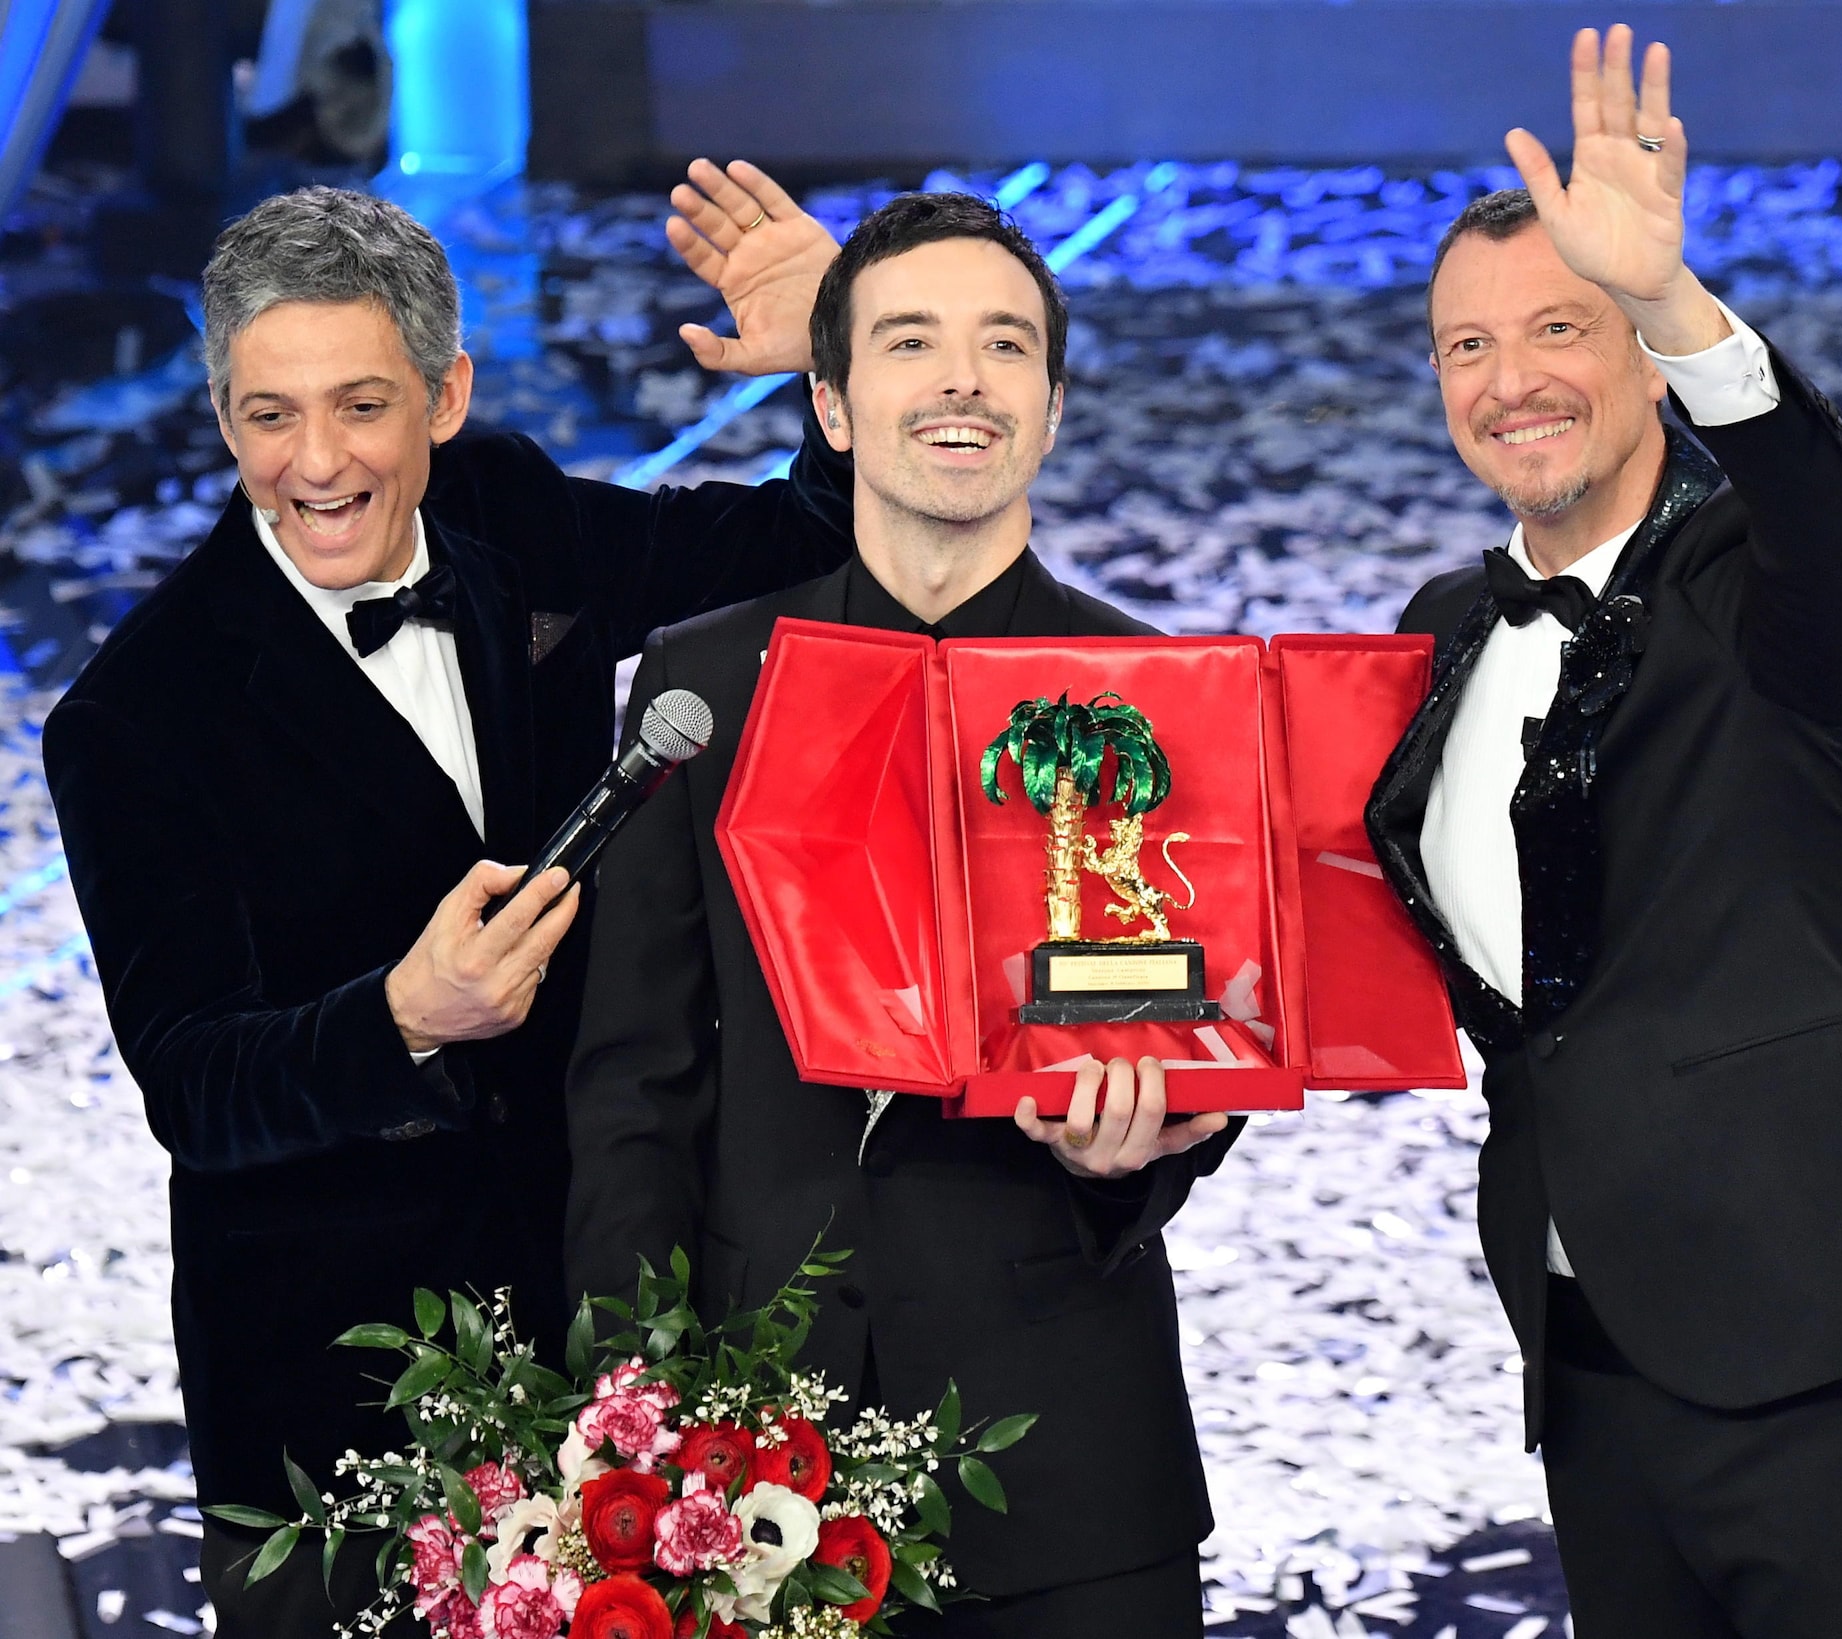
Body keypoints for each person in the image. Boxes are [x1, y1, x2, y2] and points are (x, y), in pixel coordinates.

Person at [42, 163, 854, 1637]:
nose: (316, 463)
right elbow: (195, 1085)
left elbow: (800, 546)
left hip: (599, 1342)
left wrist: (831, 355)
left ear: (447, 394)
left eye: (361, 406)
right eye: (268, 415)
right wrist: (402, 1019)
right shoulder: (133, 718)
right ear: (221, 417)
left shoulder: (504, 513)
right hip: (331, 1399)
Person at [1365, 27, 1842, 1638]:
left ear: (1648, 362)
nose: (1510, 380)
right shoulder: (1441, 629)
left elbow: (1834, 520)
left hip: (1834, 1346)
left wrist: (1672, 295)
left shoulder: (1765, 586)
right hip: (1591, 1359)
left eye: (1562, 327)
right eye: (1466, 347)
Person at [565, 192, 1234, 1639]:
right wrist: (630, 1425)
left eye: (1006, 346)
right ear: (833, 402)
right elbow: (635, 1084)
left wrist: (1134, 1152)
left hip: (1071, 1466)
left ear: (1051, 408)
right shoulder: (704, 682)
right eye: (911, 341)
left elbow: (1194, 1046)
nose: (961, 380)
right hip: (746, 1468)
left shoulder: (1158, 691)